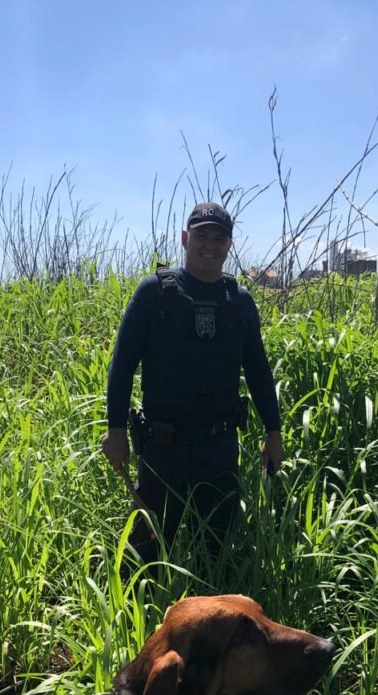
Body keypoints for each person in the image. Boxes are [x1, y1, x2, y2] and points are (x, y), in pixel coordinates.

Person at [101, 201, 284, 568]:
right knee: (149, 554)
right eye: (202, 235)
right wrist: (116, 429)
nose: (210, 245)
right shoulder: (154, 293)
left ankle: (212, 623)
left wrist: (273, 430)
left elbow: (259, 370)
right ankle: (146, 620)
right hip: (162, 448)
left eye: (220, 238)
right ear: (186, 238)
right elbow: (122, 365)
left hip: (219, 447)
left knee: (218, 552)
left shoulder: (239, 301)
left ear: (229, 245)